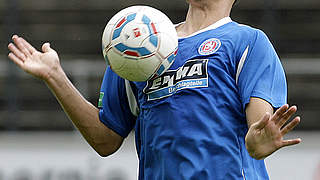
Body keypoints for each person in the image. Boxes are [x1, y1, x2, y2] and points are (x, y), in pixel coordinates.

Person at [8, 0, 301, 179]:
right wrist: (55, 76)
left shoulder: (248, 41)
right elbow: (105, 139)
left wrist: (257, 145)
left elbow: (259, 128)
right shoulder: (137, 44)